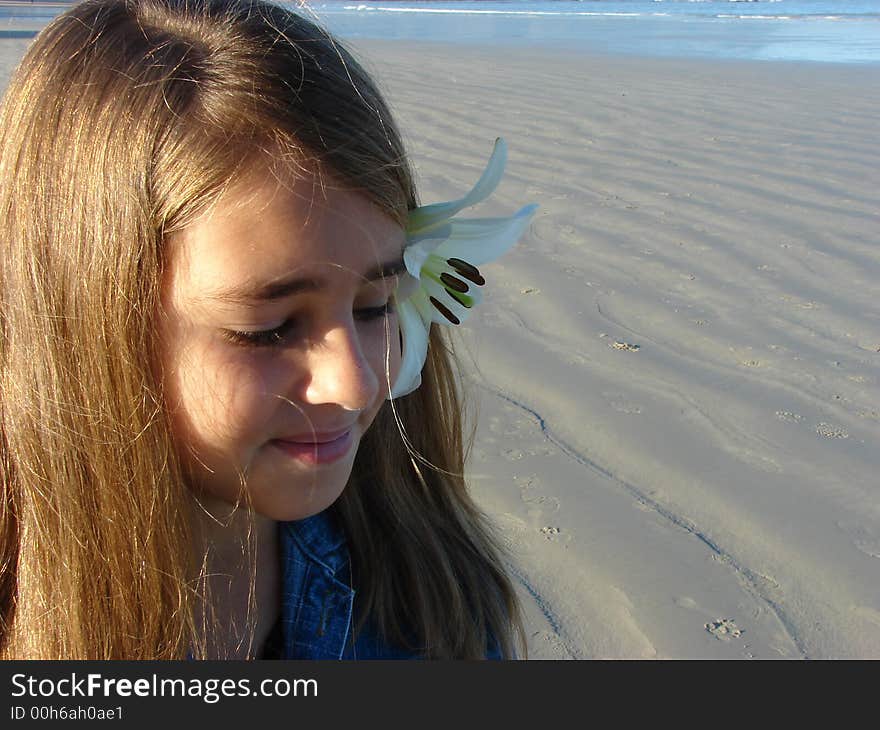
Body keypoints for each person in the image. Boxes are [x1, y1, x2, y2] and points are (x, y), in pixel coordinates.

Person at [0, 0, 534, 659]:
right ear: (79, 322)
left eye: (376, 305)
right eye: (269, 328)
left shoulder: (431, 608)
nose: (357, 383)